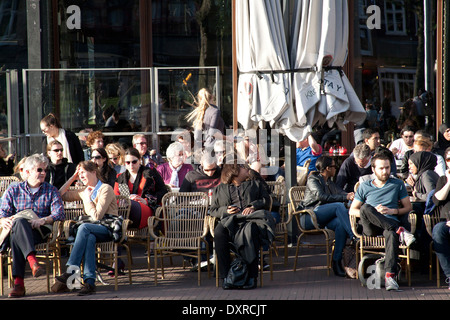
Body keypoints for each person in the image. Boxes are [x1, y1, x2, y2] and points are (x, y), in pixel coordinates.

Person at [0, 154, 65, 298]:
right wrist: (2, 220)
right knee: (19, 224)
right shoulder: (14, 190)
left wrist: (43, 220)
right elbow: (2, 213)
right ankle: (32, 262)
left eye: (45, 170)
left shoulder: (51, 190)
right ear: (27, 172)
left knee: (18, 231)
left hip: (39, 232)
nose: (43, 173)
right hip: (17, 231)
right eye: (40, 170)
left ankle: (19, 284)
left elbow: (59, 214)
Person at [349, 152, 415, 291]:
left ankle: (390, 277)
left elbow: (408, 207)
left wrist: (393, 211)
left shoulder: (397, 184)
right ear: (373, 170)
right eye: (381, 168)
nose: (385, 171)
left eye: (387, 167)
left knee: (391, 234)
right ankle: (400, 230)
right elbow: (352, 210)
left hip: (389, 223)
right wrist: (373, 212)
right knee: (366, 207)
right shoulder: (365, 186)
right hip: (370, 227)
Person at [52, 161, 119, 296]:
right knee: (88, 238)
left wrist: (87, 199)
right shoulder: (84, 190)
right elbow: (59, 195)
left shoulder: (105, 188)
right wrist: (72, 178)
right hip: (91, 230)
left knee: (84, 228)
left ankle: (71, 271)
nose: (80, 175)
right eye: (79, 173)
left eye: (83, 172)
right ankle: (89, 283)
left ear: (94, 172)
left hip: (108, 228)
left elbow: (97, 216)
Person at [210, 162, 274, 290]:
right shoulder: (220, 188)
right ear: (235, 171)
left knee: (251, 232)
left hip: (250, 219)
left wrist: (253, 206)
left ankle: (252, 277)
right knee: (219, 233)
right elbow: (213, 210)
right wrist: (225, 210)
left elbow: (267, 200)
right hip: (230, 221)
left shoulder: (254, 184)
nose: (247, 169)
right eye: (244, 167)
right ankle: (226, 276)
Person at [298, 156, 355, 277]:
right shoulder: (313, 179)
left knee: (340, 225)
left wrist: (352, 195)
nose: (336, 168)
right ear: (328, 168)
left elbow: (341, 193)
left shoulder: (328, 181)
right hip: (309, 216)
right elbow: (321, 197)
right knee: (338, 206)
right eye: (334, 166)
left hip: (322, 218)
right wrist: (345, 197)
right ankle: (354, 237)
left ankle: (336, 261)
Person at [114, 148, 167, 229]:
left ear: (139, 160)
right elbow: (116, 197)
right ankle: (116, 226)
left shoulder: (150, 173)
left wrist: (146, 200)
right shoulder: (120, 178)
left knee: (130, 204)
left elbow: (163, 191)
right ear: (124, 163)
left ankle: (117, 226)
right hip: (125, 210)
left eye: (134, 162)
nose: (131, 165)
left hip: (147, 208)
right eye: (128, 162)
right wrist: (123, 202)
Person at [431, 147, 450, 287]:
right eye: (449, 159)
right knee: (438, 231)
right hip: (446, 223)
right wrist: (449, 182)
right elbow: (437, 200)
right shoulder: (443, 179)